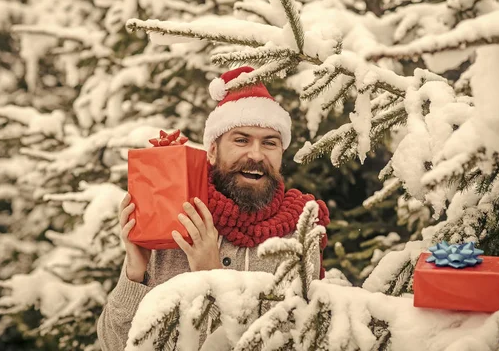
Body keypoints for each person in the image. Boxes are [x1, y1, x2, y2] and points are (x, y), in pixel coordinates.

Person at [97, 66, 330, 350]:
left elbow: (300, 342)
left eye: (269, 143)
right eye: (241, 140)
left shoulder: (299, 232)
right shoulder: (176, 220)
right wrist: (135, 271)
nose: (256, 155)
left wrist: (211, 275)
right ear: (212, 150)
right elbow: (115, 344)